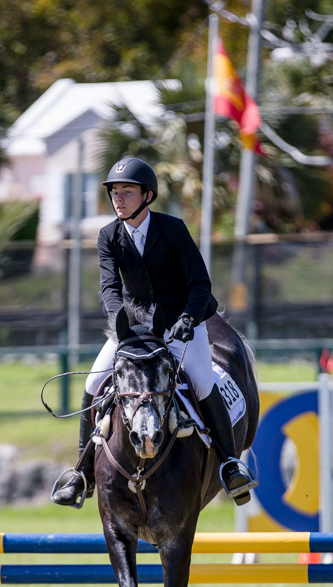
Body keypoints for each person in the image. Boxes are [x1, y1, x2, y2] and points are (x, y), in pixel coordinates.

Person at [52, 156, 256, 507]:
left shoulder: (172, 229)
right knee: (91, 384)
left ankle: (229, 464)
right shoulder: (109, 236)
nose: (118, 198)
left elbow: (199, 283)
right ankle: (82, 472)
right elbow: (108, 288)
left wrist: (189, 320)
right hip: (132, 329)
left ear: (147, 196)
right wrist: (118, 319)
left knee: (203, 383)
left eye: (126, 192)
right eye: (114, 192)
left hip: (180, 324)